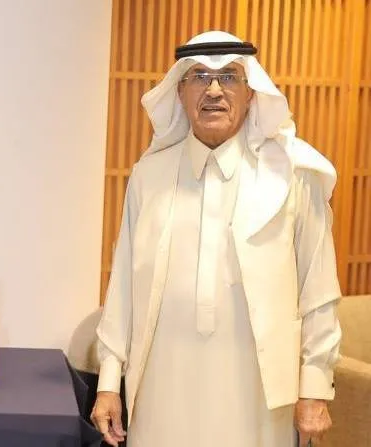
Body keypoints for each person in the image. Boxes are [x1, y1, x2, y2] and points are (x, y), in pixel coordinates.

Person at [91, 31, 342, 447]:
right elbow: (123, 288)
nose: (213, 90)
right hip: (162, 386)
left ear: (251, 92)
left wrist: (314, 387)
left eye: (228, 77)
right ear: (180, 92)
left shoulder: (294, 176)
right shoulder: (148, 177)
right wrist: (107, 383)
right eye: (199, 77)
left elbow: (318, 289)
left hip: (258, 396)